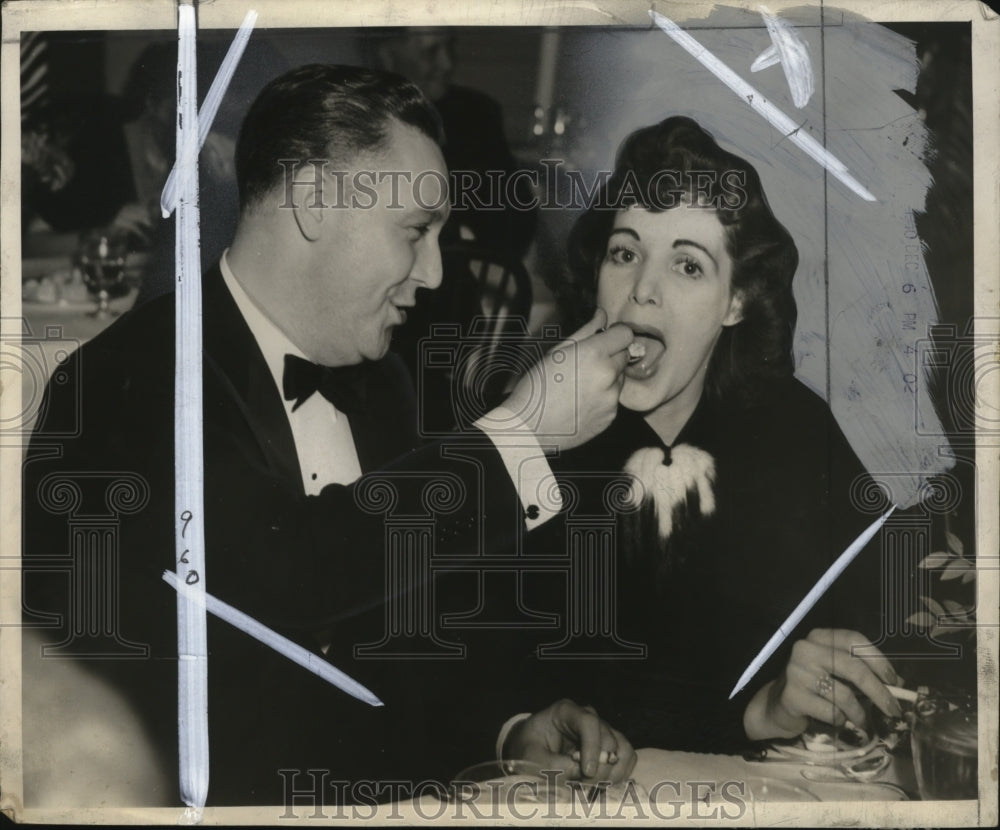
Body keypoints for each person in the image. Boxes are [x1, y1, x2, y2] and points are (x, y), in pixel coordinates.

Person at [21, 64, 637, 807]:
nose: (436, 273)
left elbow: (393, 636)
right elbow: (276, 580)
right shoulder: (121, 385)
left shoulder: (383, 376)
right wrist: (519, 436)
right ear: (314, 201)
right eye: (416, 231)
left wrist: (503, 731)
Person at [518, 116, 903, 755]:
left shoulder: (794, 428)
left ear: (737, 302)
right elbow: (516, 688)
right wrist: (754, 711)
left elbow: (881, 622)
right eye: (625, 252)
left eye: (688, 266)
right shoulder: (535, 429)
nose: (643, 290)